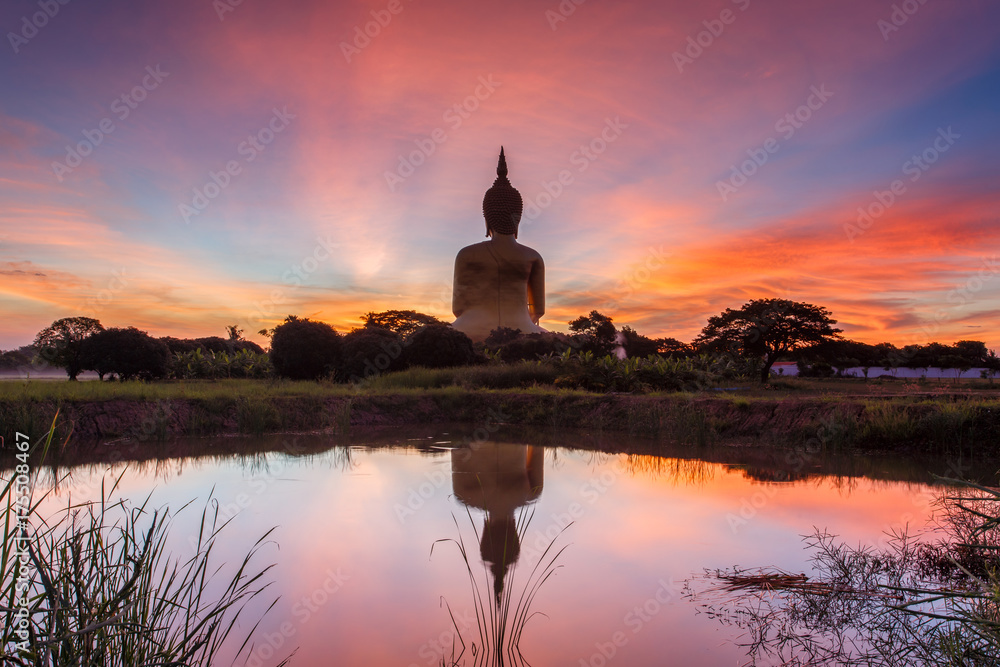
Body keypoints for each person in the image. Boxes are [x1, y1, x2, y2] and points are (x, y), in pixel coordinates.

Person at [452, 147, 546, 342]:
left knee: (440, 336)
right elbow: (538, 311)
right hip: (524, 332)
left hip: (468, 331)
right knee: (548, 338)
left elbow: (458, 308)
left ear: (487, 219)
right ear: (518, 218)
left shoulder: (466, 254)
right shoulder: (533, 257)